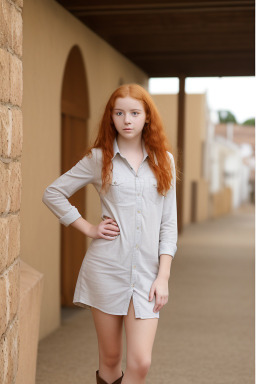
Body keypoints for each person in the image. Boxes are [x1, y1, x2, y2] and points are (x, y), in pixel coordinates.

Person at [42, 83, 178, 384]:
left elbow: (168, 225)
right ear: (111, 117)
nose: (127, 120)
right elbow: (53, 193)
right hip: (106, 268)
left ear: (147, 117)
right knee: (111, 359)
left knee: (141, 362)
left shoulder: (163, 162)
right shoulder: (98, 159)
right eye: (119, 113)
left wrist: (163, 276)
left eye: (134, 112)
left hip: (146, 275)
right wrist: (88, 227)